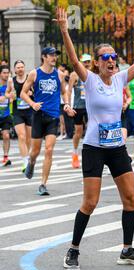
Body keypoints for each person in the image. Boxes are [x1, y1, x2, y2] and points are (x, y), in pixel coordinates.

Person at [55, 6, 134, 268]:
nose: (111, 60)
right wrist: (63, 30)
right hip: (94, 147)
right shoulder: (90, 79)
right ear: (96, 62)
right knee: (90, 202)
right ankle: (73, 249)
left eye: (113, 56)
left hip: (116, 147)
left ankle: (127, 249)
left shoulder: (120, 79)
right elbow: (72, 59)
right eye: (105, 57)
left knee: (130, 198)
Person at [20, 47, 75, 195]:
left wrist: (67, 104)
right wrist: (32, 104)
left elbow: (64, 91)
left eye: (55, 55)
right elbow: (23, 93)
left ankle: (43, 184)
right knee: (35, 152)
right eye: (51, 55)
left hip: (53, 117)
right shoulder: (34, 74)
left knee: (49, 149)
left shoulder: (59, 74)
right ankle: (31, 163)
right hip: (38, 116)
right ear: (44, 57)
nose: (54, 58)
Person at [5, 60, 33, 171]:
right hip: (18, 112)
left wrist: (32, 93)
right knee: (21, 136)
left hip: (29, 111)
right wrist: (10, 95)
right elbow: (7, 93)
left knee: (29, 138)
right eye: (18, 67)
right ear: (15, 69)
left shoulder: (30, 79)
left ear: (24, 68)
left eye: (22, 67)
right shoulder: (11, 81)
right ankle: (25, 162)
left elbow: (37, 92)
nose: (20, 69)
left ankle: (29, 157)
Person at [67, 53, 92, 169]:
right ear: (81, 62)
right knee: (78, 131)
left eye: (88, 61)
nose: (87, 64)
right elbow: (68, 91)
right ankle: (75, 153)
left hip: (90, 106)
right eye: (85, 62)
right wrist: (68, 105)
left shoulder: (92, 73)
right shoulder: (74, 75)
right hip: (78, 106)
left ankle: (92, 154)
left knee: (93, 130)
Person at [0, 65, 13, 166]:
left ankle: (5, 157)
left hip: (6, 115)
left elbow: (13, 98)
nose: (6, 75)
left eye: (7, 73)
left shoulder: (10, 86)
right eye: (4, 72)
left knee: (6, 135)